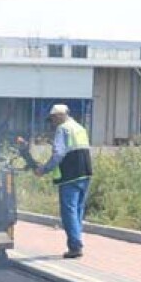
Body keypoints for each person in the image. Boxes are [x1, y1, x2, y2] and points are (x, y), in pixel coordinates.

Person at [33, 103, 93, 259]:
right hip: (85, 173)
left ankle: (75, 246)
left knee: (69, 211)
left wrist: (44, 169)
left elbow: (59, 154)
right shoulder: (79, 127)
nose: (52, 123)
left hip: (70, 175)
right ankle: (77, 242)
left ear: (59, 116)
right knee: (78, 210)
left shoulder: (63, 129)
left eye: (52, 119)